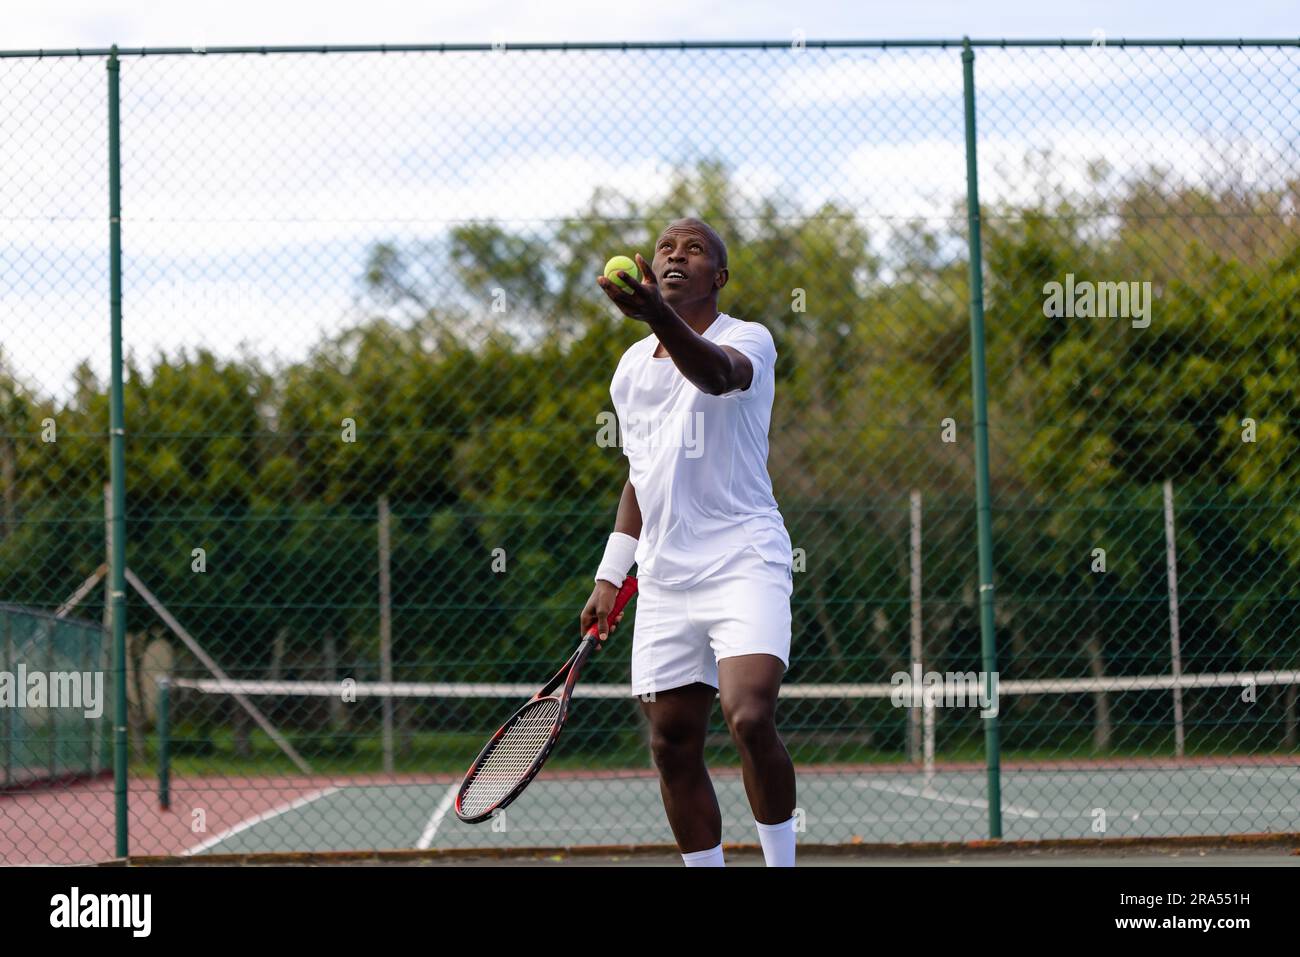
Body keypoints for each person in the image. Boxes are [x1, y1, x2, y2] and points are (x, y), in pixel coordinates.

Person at [582, 218, 796, 867]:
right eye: (666, 249)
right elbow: (641, 474)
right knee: (672, 742)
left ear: (719, 277)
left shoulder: (747, 340)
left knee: (749, 714)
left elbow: (716, 376)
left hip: (744, 558)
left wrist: (654, 316)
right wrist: (610, 574)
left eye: (694, 249)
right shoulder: (628, 370)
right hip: (666, 576)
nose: (677, 256)